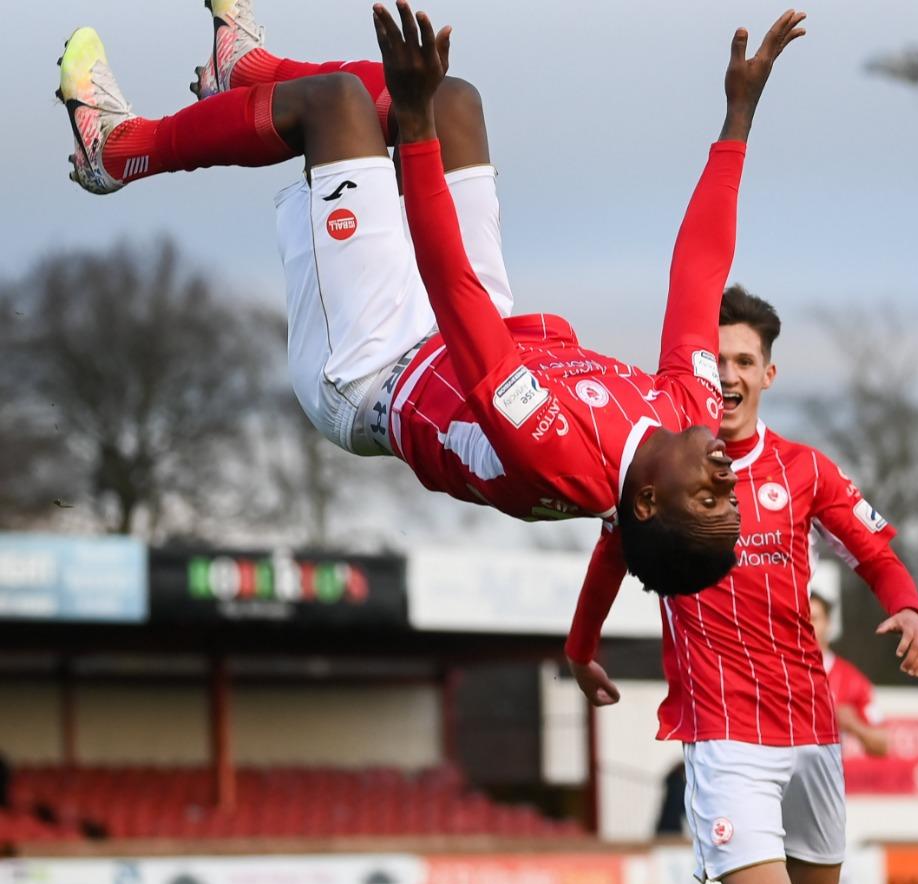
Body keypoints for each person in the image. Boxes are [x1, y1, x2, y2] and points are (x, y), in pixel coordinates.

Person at [53, 0, 807, 604]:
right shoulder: (689, 417)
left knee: (337, 105)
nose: (726, 480)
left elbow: (455, 297)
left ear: (645, 503)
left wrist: (406, 131)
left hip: (375, 365)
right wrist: (738, 118)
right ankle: (246, 71)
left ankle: (117, 151)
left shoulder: (557, 457)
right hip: (464, 329)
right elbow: (699, 276)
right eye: (731, 501)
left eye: (709, 502)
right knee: (454, 101)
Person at [564, 280, 918, 884]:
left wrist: (907, 609)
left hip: (809, 728)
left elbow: (872, 549)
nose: (726, 374)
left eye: (742, 360)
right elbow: (610, 555)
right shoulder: (658, 470)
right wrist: (581, 644)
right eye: (715, 358)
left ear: (768, 373)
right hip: (724, 734)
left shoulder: (802, 469)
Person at [812, 593, 891, 759]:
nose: (807, 625)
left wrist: (854, 725)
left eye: (813, 618)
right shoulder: (777, 672)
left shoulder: (850, 679)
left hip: (826, 780)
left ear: (828, 624)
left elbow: (883, 744)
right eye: (801, 619)